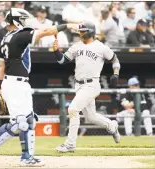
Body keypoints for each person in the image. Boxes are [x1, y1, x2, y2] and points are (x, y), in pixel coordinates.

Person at [0, 8, 77, 166]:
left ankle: (27, 157)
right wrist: (69, 26)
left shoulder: (5, 38)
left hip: (15, 83)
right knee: (21, 122)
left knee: (30, 120)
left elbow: (1, 67)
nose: (25, 22)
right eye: (22, 19)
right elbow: (47, 31)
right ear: (16, 20)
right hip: (15, 84)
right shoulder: (19, 35)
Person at [53, 21, 121, 153]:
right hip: (78, 84)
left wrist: (116, 74)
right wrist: (56, 51)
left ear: (90, 32)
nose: (80, 33)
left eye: (83, 31)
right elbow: (62, 61)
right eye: (80, 31)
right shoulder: (76, 46)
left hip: (91, 84)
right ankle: (112, 126)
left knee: (73, 109)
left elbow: (115, 60)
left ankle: (70, 144)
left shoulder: (101, 47)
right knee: (91, 117)